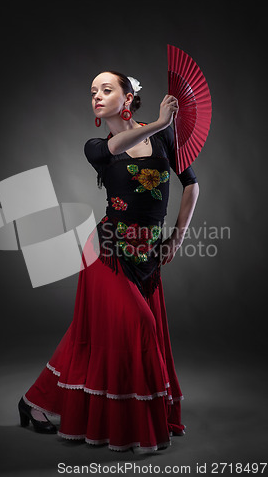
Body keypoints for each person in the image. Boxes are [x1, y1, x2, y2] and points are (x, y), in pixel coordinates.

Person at [18, 71, 199, 452]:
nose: (96, 96)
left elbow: (192, 184)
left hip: (149, 254)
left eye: (106, 89)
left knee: (92, 334)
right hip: (108, 251)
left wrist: (177, 237)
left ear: (128, 97)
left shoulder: (166, 136)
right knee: (140, 326)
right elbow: (117, 149)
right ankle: (135, 426)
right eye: (92, 92)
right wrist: (160, 122)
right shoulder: (97, 147)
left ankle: (33, 402)